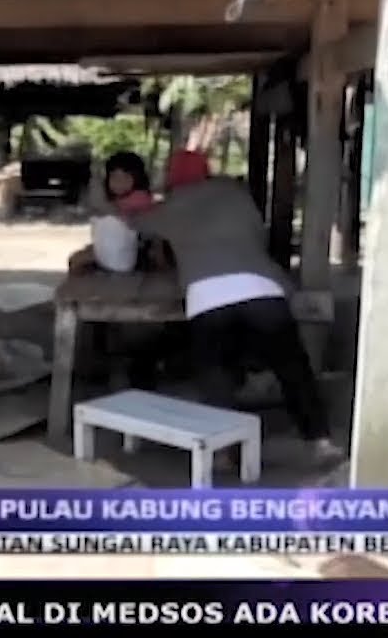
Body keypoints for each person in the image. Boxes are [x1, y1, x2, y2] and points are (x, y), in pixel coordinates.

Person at [126, 149, 343, 464]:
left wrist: (137, 206)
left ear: (173, 178)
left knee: (215, 372)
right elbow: (258, 233)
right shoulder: (235, 193)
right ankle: (319, 441)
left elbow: (136, 224)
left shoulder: (171, 206)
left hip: (208, 297)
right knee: (291, 367)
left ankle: (223, 451)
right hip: (262, 288)